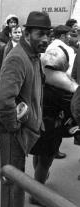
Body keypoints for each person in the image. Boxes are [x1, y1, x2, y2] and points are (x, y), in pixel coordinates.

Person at [0, 11, 51, 207]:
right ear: (27, 34)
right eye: (40, 34)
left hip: (22, 131)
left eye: (48, 34)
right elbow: (3, 100)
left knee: (18, 178)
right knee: (12, 181)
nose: (45, 39)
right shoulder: (18, 58)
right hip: (13, 133)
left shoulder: (33, 56)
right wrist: (14, 128)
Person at [30, 46, 77, 207]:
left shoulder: (36, 76)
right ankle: (37, 194)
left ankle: (38, 181)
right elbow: (72, 109)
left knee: (38, 155)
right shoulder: (66, 87)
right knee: (45, 161)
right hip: (51, 128)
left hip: (35, 123)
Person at [46, 25, 76, 159]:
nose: (70, 37)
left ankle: (45, 152)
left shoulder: (49, 46)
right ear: (63, 36)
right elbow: (69, 70)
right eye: (68, 35)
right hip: (62, 88)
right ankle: (53, 150)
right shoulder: (67, 49)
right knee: (60, 120)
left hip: (47, 85)